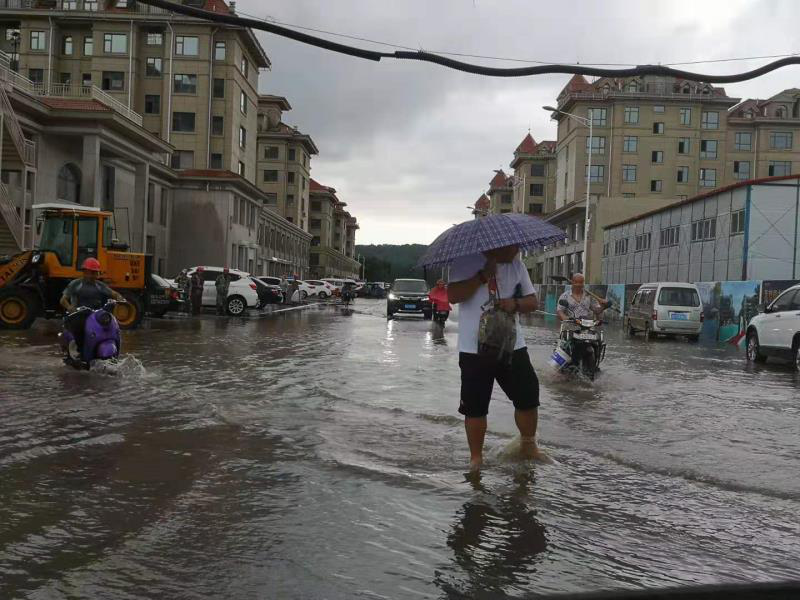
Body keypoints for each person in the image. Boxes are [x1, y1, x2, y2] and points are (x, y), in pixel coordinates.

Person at [448, 244, 546, 472]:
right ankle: (476, 459)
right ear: (498, 244)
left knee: (528, 397)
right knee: (475, 406)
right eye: (514, 246)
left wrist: (516, 304)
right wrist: (483, 275)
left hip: (512, 345)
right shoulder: (464, 260)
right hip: (474, 349)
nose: (518, 249)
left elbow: (533, 302)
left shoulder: (516, 265)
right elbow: (453, 296)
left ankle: (529, 446)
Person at [60, 257, 124, 353]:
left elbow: (113, 293)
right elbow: (63, 300)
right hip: (79, 316)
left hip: (96, 316)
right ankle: (78, 352)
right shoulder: (75, 284)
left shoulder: (100, 285)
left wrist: (119, 298)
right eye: (91, 272)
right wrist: (70, 308)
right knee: (79, 332)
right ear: (85, 272)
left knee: (110, 328)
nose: (93, 275)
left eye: (95, 273)